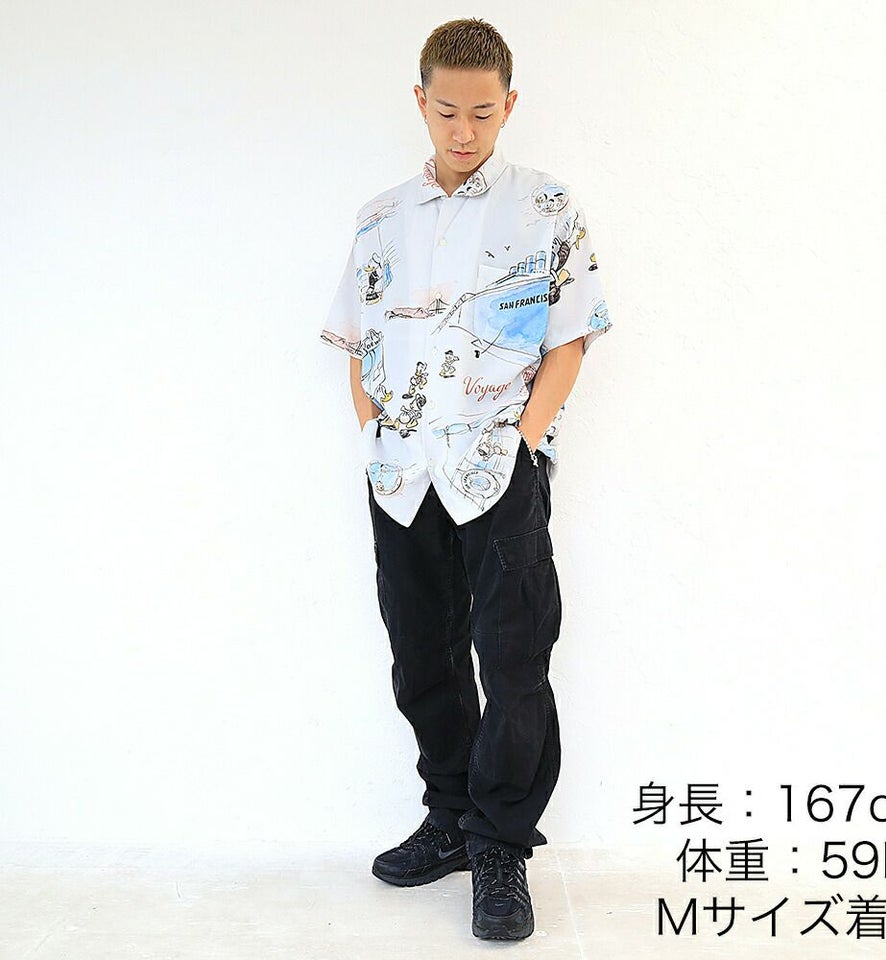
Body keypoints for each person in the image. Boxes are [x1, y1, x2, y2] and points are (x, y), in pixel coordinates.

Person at [321, 17, 613, 941]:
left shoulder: (545, 206)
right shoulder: (381, 217)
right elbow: (360, 340)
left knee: (514, 658)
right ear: (420, 101)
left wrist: (520, 445)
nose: (463, 130)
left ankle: (499, 845)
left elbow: (570, 340)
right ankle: (448, 817)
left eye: (482, 113)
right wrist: (376, 437)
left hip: (499, 470)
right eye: (447, 110)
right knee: (422, 654)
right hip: (402, 472)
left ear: (509, 106)